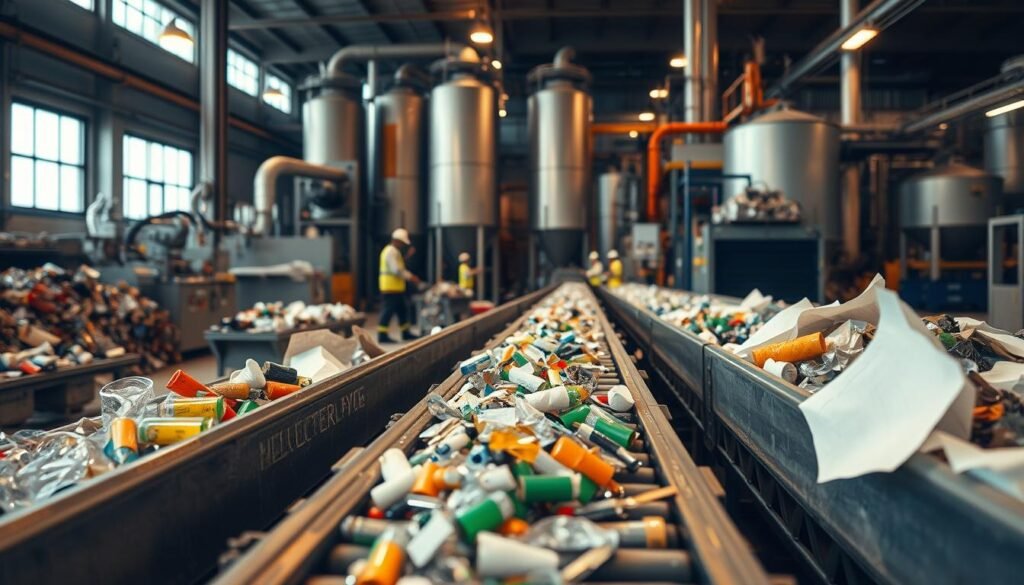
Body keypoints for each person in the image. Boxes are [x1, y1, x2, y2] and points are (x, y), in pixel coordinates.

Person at [378, 228, 421, 343]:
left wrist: (407, 256)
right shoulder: (391, 252)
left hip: (396, 288)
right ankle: (382, 335)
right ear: (397, 240)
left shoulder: (394, 252)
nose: (403, 245)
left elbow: (398, 266)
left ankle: (405, 333)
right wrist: (411, 277)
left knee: (402, 310)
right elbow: (396, 270)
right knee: (388, 311)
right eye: (402, 243)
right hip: (390, 288)